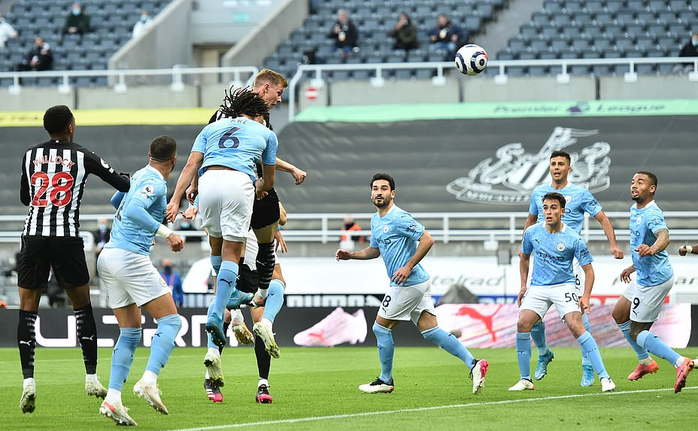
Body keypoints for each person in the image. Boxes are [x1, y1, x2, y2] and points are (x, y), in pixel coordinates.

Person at [17, 105, 130, 414]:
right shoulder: (83, 155)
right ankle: (92, 377)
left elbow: (26, 199)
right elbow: (122, 184)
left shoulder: (29, 155)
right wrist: (130, 178)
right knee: (82, 305)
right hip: (66, 238)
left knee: (27, 311)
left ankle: (28, 381)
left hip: (33, 237)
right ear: (70, 126)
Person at [336, 173, 489, 395]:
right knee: (432, 331)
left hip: (408, 283)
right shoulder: (375, 220)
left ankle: (385, 380)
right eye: (375, 188)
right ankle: (474, 364)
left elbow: (427, 239)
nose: (379, 192)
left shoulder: (399, 217)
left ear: (392, 193)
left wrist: (407, 266)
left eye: (384, 188)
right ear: (371, 193)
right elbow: (374, 250)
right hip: (417, 282)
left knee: (380, 327)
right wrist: (351, 255)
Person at [165, 87, 277, 352]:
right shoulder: (265, 132)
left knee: (216, 245)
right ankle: (217, 313)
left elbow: (191, 164)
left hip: (208, 182)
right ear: (258, 113)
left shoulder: (212, 127)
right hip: (238, 182)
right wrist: (258, 190)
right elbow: (269, 180)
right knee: (232, 252)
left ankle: (227, 297)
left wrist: (175, 198)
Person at [97, 136, 183, 425]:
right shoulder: (157, 181)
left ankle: (113, 398)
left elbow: (117, 201)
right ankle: (149, 380)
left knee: (131, 330)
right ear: (173, 160)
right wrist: (165, 232)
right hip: (129, 257)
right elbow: (133, 210)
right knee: (171, 321)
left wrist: (152, 221)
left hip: (108, 255)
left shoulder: (138, 175)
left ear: (148, 154)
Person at [523, 150, 623, 387]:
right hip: (542, 258)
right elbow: (530, 221)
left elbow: (603, 219)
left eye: (561, 164)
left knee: (578, 316)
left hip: (570, 261)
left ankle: (588, 365)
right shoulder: (539, 193)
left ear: (569, 168)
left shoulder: (580, 194)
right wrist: (523, 248)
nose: (556, 167)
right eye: (553, 164)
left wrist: (613, 244)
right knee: (532, 312)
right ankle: (544, 352)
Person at [512, 192, 615, 392]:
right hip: (539, 287)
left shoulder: (573, 238)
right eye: (545, 208)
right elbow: (524, 258)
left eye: (553, 208)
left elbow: (589, 270)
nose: (548, 212)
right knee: (522, 323)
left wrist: (585, 296)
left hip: (564, 286)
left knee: (576, 326)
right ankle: (525, 379)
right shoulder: (532, 232)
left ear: (562, 211)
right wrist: (523, 286)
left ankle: (605, 377)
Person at [610, 172, 694, 393]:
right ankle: (645, 362)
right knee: (619, 314)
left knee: (638, 331)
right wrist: (634, 265)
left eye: (640, 182)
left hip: (655, 279)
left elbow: (664, 237)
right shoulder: (634, 209)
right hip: (643, 274)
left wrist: (653, 249)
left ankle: (679, 361)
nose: (634, 186)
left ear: (652, 188)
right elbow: (642, 243)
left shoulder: (652, 212)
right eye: (632, 182)